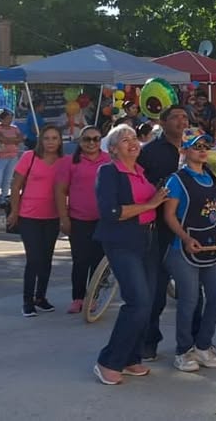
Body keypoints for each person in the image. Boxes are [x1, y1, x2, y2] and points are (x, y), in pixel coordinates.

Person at [91, 124, 170, 385]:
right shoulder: (109, 171)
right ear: (113, 149)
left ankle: (131, 357)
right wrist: (150, 204)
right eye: (125, 140)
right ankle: (109, 361)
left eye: (134, 138)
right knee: (137, 302)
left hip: (148, 240)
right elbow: (111, 212)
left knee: (149, 302)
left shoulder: (141, 172)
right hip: (123, 242)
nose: (132, 142)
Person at [162, 127, 216, 372]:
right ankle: (183, 350)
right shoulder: (177, 179)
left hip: (211, 246)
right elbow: (169, 215)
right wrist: (184, 238)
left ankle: (203, 344)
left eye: (205, 146)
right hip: (183, 249)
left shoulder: (210, 177)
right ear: (184, 150)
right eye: (196, 147)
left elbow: (212, 207)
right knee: (189, 299)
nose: (202, 151)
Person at [137, 105, 192, 360]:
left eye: (185, 117)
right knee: (155, 290)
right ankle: (149, 342)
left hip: (191, 227)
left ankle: (195, 343)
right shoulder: (149, 152)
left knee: (193, 292)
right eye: (175, 117)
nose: (181, 121)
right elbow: (139, 185)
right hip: (158, 228)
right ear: (163, 121)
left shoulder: (195, 148)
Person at [56, 126, 112, 314]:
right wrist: (63, 218)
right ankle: (78, 298)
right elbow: (60, 191)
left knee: (99, 260)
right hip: (78, 219)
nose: (91, 143)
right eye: (87, 139)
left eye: (96, 139)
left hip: (103, 219)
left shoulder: (109, 160)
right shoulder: (70, 162)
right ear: (80, 141)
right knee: (80, 260)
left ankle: (93, 297)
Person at [8, 125, 63, 317]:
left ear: (60, 141)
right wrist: (14, 211)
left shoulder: (64, 162)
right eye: (46, 138)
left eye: (54, 138)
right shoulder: (29, 157)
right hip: (29, 216)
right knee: (34, 259)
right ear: (41, 140)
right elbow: (15, 185)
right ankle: (27, 301)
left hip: (52, 216)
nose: (50, 142)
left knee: (47, 259)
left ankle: (41, 297)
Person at [0, 109, 23, 210]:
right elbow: (1, 139)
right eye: (7, 118)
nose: (10, 120)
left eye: (11, 118)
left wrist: (9, 140)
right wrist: (14, 140)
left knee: (7, 180)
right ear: (1, 118)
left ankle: (3, 200)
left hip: (12, 156)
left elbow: (20, 139)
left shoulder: (15, 128)